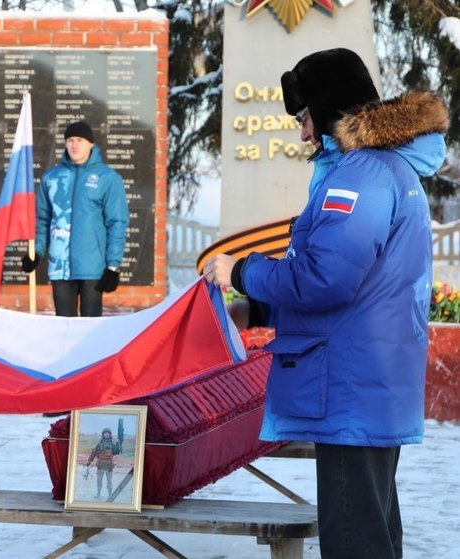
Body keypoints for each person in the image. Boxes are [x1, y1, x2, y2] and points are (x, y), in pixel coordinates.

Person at [203, 48, 448, 559]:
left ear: (329, 108)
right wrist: (260, 311)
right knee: (372, 532)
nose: (302, 135)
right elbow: (359, 285)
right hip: (366, 380)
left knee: (354, 540)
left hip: (348, 387)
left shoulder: (361, 175)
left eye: (305, 118)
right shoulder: (382, 171)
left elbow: (327, 278)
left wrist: (242, 271)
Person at [21, 121, 129, 317]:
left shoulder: (108, 178)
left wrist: (113, 266)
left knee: (90, 331)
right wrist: (36, 252)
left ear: (91, 144)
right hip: (59, 267)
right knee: (64, 328)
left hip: (93, 269)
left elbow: (117, 223)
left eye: (80, 140)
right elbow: (43, 219)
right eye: (70, 140)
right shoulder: (51, 178)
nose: (74, 145)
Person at [85, 427, 121, 500]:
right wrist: (89, 461)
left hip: (109, 466)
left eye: (108, 433)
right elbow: (93, 452)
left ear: (110, 434)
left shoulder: (112, 444)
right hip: (100, 466)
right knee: (99, 481)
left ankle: (110, 495)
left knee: (109, 482)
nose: (106, 434)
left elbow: (116, 452)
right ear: (103, 434)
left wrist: (118, 444)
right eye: (105, 433)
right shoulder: (99, 443)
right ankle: (98, 493)